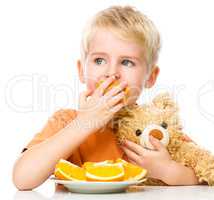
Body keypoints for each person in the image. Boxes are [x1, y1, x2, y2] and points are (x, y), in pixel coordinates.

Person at [12, 5, 199, 190]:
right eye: (99, 60)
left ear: (150, 77)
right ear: (81, 71)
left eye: (127, 62)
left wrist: (167, 170)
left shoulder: (157, 126)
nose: (111, 73)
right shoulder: (66, 121)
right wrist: (82, 124)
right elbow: (22, 179)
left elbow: (212, 176)